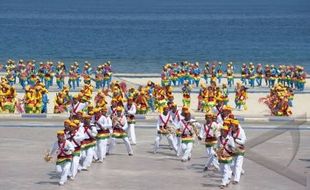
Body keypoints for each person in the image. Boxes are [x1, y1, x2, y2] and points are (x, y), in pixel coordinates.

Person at [217, 121, 235, 189]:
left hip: (228, 156)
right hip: (221, 156)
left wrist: (231, 148)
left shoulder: (230, 139)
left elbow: (233, 148)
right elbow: (217, 146)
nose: (221, 132)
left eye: (223, 131)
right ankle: (227, 179)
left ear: (226, 131)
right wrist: (217, 151)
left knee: (226, 170)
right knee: (222, 170)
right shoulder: (219, 138)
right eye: (221, 131)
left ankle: (223, 183)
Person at [230, 119, 246, 184]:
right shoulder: (230, 131)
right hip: (233, 150)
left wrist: (235, 140)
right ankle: (240, 171)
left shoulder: (241, 132)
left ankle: (236, 179)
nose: (231, 127)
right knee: (232, 164)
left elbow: (243, 141)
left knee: (238, 165)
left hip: (240, 149)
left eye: (233, 126)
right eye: (231, 126)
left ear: (236, 126)